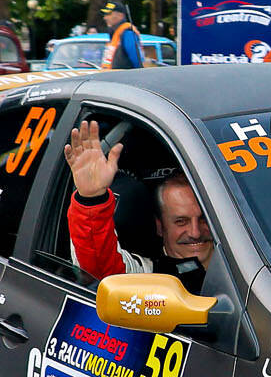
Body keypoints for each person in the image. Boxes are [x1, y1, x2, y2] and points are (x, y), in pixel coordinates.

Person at [62, 120, 213, 291]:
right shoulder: (149, 276)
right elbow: (101, 269)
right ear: (159, 226)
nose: (195, 232)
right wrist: (92, 199)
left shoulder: (238, 252)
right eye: (181, 222)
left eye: (203, 220)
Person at [99, 0, 143, 69]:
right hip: (113, 74)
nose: (105, 18)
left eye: (108, 14)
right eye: (105, 15)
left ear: (120, 15)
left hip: (124, 75)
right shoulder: (115, 33)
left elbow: (136, 61)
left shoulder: (128, 33)